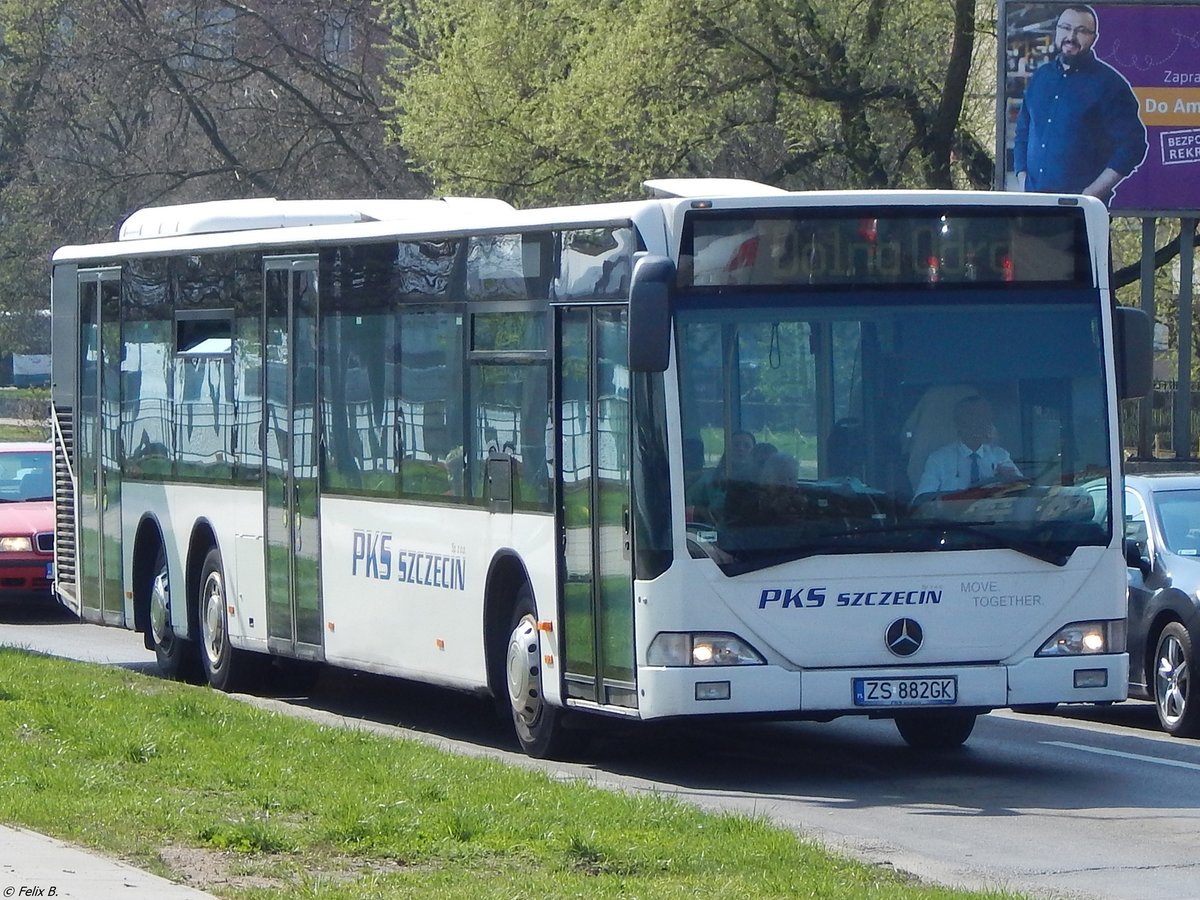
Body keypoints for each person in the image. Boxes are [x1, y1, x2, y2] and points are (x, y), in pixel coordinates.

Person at [1012, 5, 1147, 204]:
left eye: (1081, 31)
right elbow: (1023, 132)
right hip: (1033, 207)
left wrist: (1090, 195)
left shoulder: (1110, 85)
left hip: (1080, 212)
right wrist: (1022, 179)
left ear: (1094, 38)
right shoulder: (1041, 78)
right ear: (1056, 31)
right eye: (1065, 28)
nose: (1071, 36)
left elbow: (1133, 146)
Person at [914, 396, 1021, 499]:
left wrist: (1009, 481)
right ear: (958, 423)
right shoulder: (939, 460)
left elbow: (1023, 490)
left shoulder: (1000, 456)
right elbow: (923, 499)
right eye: (972, 417)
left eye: (984, 417)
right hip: (950, 517)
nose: (979, 423)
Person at [686, 429, 756, 523]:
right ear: (727, 449)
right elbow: (686, 503)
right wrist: (702, 511)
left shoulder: (761, 478)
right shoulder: (710, 478)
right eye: (736, 445)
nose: (741, 449)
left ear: (754, 451)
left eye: (746, 446)